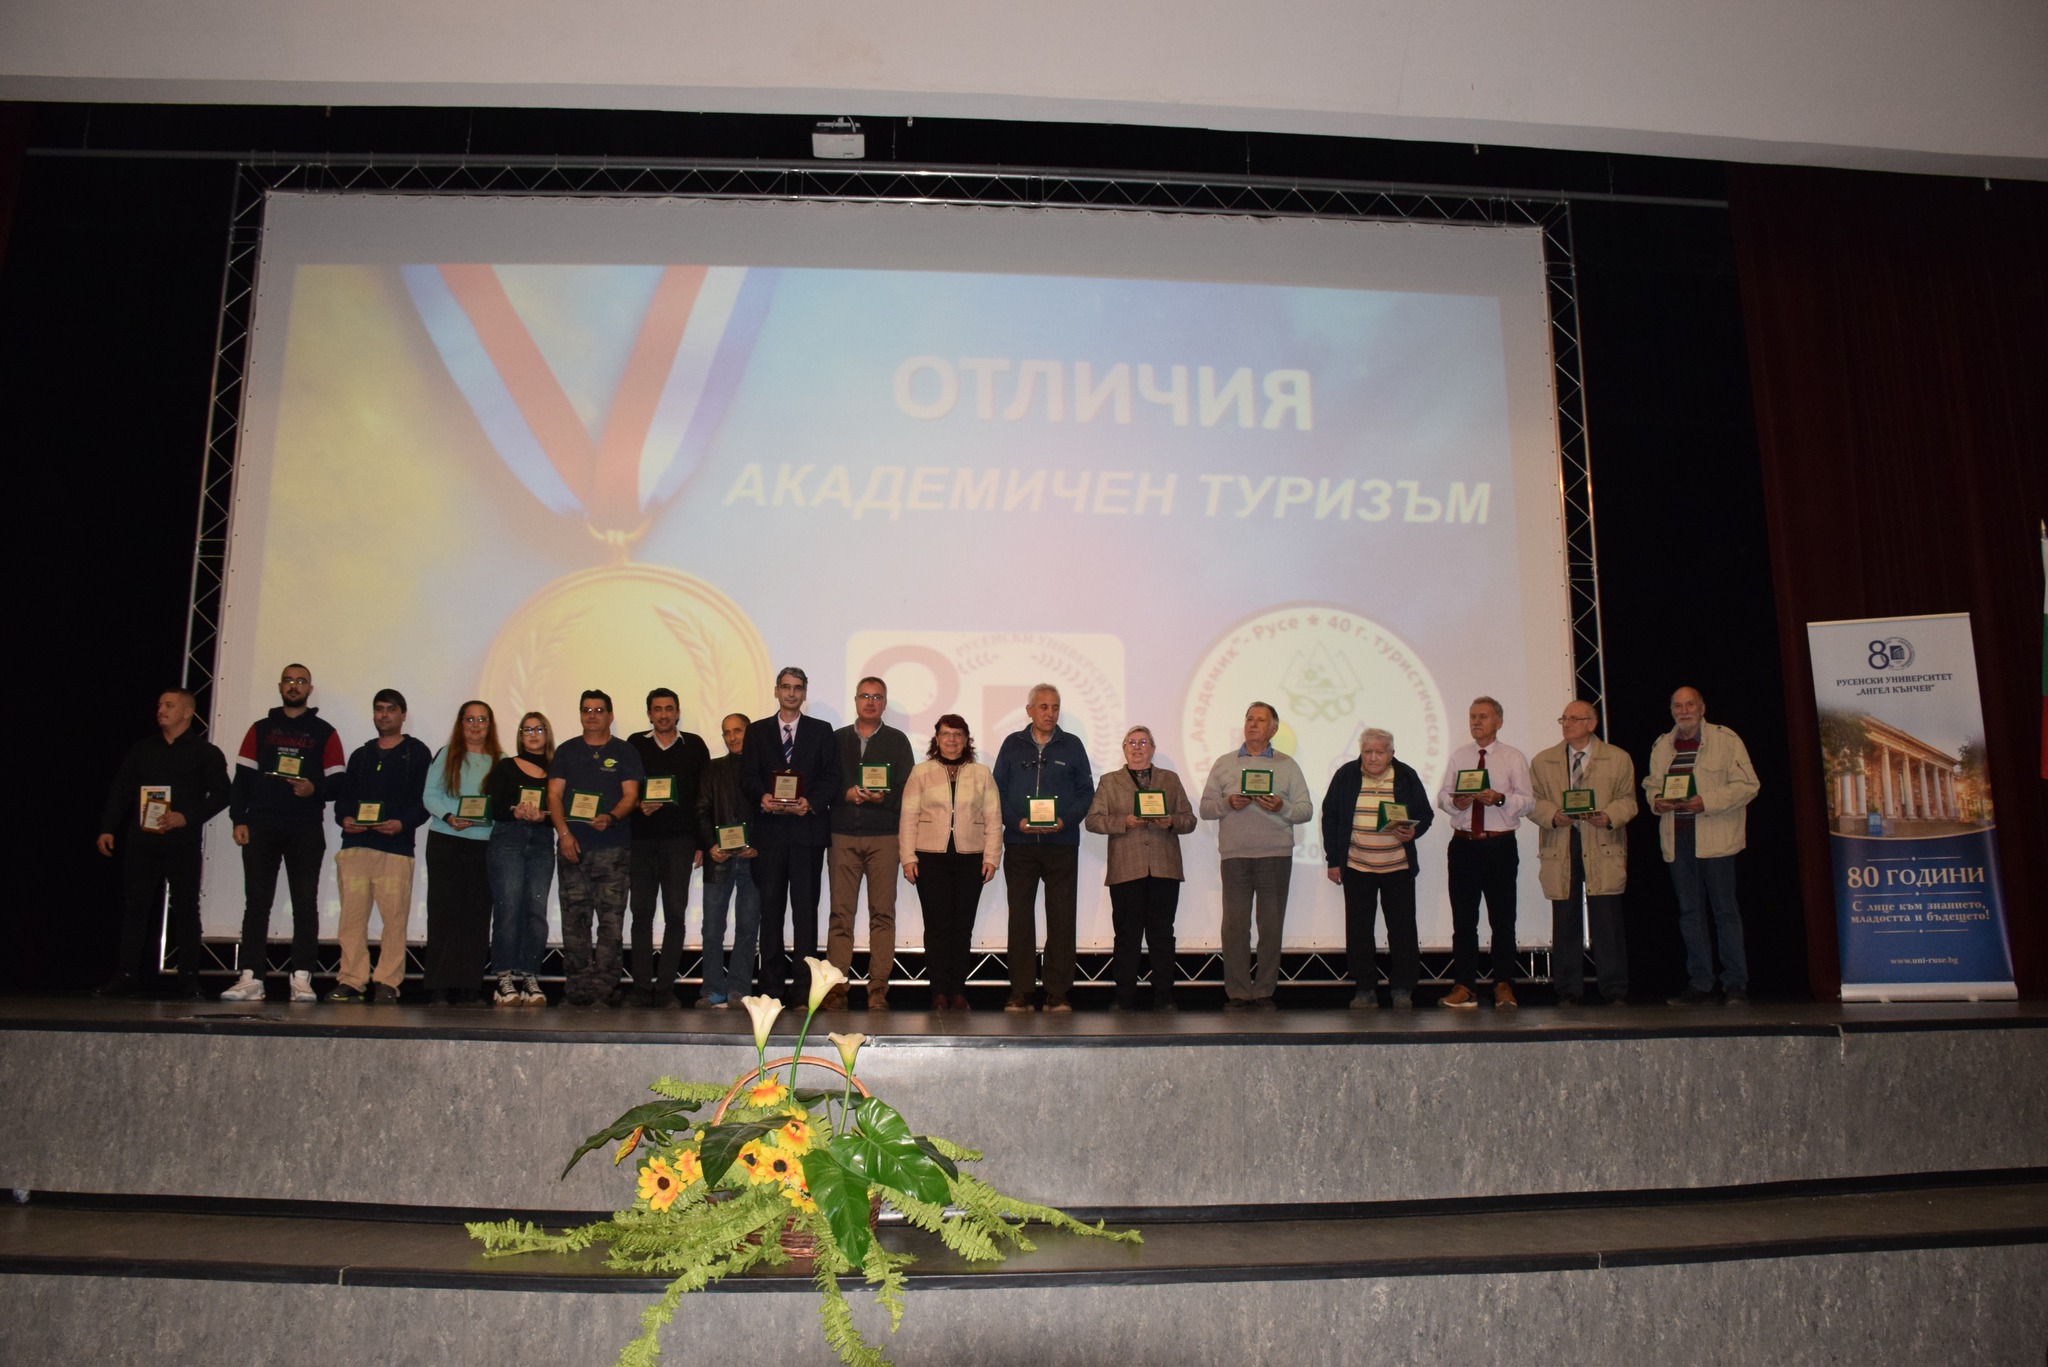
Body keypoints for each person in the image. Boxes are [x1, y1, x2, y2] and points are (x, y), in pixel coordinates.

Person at [221, 663, 346, 1003]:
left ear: (309, 689)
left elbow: (338, 781)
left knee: (304, 904)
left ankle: (302, 977)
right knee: (256, 903)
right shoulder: (260, 729)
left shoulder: (324, 732)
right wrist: (239, 819)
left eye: (301, 681)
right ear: (280, 687)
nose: (294, 686)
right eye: (289, 680)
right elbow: (241, 780)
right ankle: (251, 977)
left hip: (305, 827)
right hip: (261, 825)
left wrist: (314, 789)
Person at [94, 688, 230, 999]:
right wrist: (108, 828)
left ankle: (188, 979)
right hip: (142, 841)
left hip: (182, 843)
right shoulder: (143, 749)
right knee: (136, 907)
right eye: (159, 705)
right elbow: (121, 789)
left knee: (186, 909)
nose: (161, 710)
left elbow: (223, 793)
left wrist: (187, 817)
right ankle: (126, 975)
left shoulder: (205, 752)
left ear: (187, 713)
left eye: (169, 705)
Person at [1645, 686, 1761, 1006]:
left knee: (1725, 912)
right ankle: (1700, 984)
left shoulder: (1727, 740)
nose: (1684, 711)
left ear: (1702, 708)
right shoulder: (1662, 745)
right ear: (1671, 711)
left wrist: (1706, 801)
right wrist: (1657, 800)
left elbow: (1748, 785)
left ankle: (1734, 984)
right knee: (1689, 914)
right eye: (1677, 706)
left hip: (1716, 838)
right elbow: (1651, 784)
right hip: (1677, 839)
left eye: (1689, 705)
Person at [1198, 701, 1314, 1011]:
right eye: (1249, 718)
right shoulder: (1224, 763)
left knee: (1271, 926)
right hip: (1235, 856)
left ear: (1273, 728)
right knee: (1234, 927)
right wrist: (1228, 803)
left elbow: (1305, 810)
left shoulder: (1287, 765)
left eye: (1260, 720)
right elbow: (1205, 808)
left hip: (1275, 855)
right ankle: (1238, 992)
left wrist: (1282, 807)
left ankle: (1263, 991)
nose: (1252, 724)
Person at [991, 684, 1095, 1012]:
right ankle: (1021, 991)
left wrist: (1066, 820)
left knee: (1062, 918)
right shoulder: (1012, 744)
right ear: (1030, 710)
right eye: (1044, 707)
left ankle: (1058, 991)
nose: (1050, 713)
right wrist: (1015, 822)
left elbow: (1086, 792)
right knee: (1020, 918)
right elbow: (997, 790)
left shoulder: (1072, 745)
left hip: (1061, 844)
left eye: (1055, 707)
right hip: (1020, 844)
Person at [741, 667, 840, 1007]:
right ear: (776, 691)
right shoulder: (756, 731)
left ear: (804, 693)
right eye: (786, 687)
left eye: (798, 688)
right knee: (770, 912)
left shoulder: (821, 731)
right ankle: (770, 988)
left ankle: (803, 990)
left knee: (805, 914)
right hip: (768, 834)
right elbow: (747, 775)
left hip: (806, 833)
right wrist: (762, 797)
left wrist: (810, 802)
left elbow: (832, 777)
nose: (792, 693)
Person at [326, 689, 432, 1003]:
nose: (384, 715)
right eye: (379, 709)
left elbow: (424, 801)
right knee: (351, 920)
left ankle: (387, 982)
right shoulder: (361, 755)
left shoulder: (417, 752)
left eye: (391, 709)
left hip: (396, 849)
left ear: (403, 715)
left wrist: (402, 823)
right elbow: (343, 800)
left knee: (394, 920)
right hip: (356, 846)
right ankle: (352, 980)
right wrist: (344, 818)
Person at [1530, 700, 1637, 1007]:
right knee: (1565, 918)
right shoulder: (1543, 760)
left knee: (1607, 919)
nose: (1567, 724)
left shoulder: (1617, 758)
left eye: (1574, 719)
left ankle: (1614, 989)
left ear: (1592, 723)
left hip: (1601, 842)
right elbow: (1533, 801)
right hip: (1561, 843)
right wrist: (1553, 815)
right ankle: (1567, 990)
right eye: (1564, 718)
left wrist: (1610, 815)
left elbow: (1628, 800)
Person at [1084, 726, 1197, 1011]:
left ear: (1153, 748)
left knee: (1162, 935)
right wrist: (1124, 821)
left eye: (1143, 742)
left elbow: (1190, 820)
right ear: (1124, 749)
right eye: (1131, 743)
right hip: (1126, 869)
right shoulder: (1110, 781)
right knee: (1127, 936)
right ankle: (1124, 998)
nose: (1137, 747)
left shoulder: (1170, 779)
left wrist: (1170, 821)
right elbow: (1092, 821)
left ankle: (1164, 996)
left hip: (1164, 869)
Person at [1320, 727, 1434, 1009]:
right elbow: (1330, 816)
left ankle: (1403, 989)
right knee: (1359, 931)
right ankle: (1364, 989)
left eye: (1379, 752)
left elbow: (1425, 813)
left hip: (1398, 866)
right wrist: (1333, 860)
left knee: (1402, 930)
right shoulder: (1346, 775)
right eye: (1367, 751)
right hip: (1357, 866)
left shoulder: (1406, 776)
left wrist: (1413, 832)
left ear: (1391, 754)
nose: (1372, 757)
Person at [1434, 695, 1534, 1009]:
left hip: (1499, 846)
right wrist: (1456, 802)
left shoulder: (1512, 757)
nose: (1476, 722)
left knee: (1502, 919)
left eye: (1483, 716)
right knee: (1464, 921)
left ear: (1498, 722)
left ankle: (1503, 984)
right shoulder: (1459, 756)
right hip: (1463, 845)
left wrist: (1500, 799)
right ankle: (1465, 986)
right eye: (1473, 716)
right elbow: (1442, 797)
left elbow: (1528, 802)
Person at [899, 715, 1003, 1012]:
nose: (952, 739)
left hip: (971, 858)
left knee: (962, 927)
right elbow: (908, 817)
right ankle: (938, 992)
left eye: (958, 734)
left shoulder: (982, 773)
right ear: (937, 738)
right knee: (936, 927)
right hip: (929, 858)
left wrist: (992, 857)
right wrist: (908, 857)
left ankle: (957, 991)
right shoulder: (921, 772)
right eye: (946, 734)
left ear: (966, 739)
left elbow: (994, 819)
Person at [548, 689, 645, 1007]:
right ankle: (577, 986)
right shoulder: (566, 751)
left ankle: (605, 985)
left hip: (612, 848)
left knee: (610, 921)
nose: (592, 715)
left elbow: (631, 796)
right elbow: (553, 796)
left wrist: (611, 817)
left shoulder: (625, 751)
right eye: (586, 710)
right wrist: (564, 834)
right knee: (574, 919)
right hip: (572, 847)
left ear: (610, 715)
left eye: (599, 710)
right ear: (580, 714)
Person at [827, 676, 916, 1011]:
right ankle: (836, 988)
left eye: (877, 697)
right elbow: (824, 782)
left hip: (884, 837)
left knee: (882, 914)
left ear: (884, 703)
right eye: (865, 695)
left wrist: (883, 798)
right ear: (855, 700)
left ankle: (878, 988)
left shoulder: (897, 741)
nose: (870, 702)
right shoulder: (836, 739)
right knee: (840, 915)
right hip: (842, 835)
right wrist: (845, 794)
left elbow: (907, 788)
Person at [627, 687, 711, 1008]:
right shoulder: (635, 744)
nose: (663, 715)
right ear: (649, 714)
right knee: (641, 915)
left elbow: (704, 797)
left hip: (680, 842)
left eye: (669, 708)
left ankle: (664, 989)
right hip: (641, 841)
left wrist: (702, 842)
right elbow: (626, 789)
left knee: (675, 915)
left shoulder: (695, 746)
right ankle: (640, 987)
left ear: (678, 712)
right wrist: (639, 804)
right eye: (657, 709)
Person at [423, 700, 502, 1006]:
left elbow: (503, 803)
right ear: (461, 723)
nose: (476, 725)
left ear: (490, 725)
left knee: (477, 917)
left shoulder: (501, 760)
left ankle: (470, 986)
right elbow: (430, 795)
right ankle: (439, 987)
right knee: (443, 914)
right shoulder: (447, 755)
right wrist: (449, 817)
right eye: (470, 719)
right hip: (447, 840)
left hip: (484, 844)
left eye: (482, 719)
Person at [486, 711, 556, 1006]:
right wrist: (514, 811)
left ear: (547, 733)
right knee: (508, 909)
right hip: (508, 841)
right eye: (527, 729)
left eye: (538, 729)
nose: (533, 734)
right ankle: (503, 977)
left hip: (541, 843)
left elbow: (563, 811)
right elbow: (492, 806)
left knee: (536, 912)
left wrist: (544, 816)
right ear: (520, 735)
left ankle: (529, 976)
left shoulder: (556, 770)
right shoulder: (505, 766)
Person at [696, 712, 761, 1008]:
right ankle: (712, 989)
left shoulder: (762, 770)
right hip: (718, 860)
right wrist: (710, 845)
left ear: (750, 732)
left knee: (747, 928)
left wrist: (757, 846)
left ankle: (738, 990)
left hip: (752, 861)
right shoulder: (712, 769)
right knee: (712, 929)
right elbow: (701, 810)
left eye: (738, 731)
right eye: (726, 732)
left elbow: (769, 814)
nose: (732, 737)